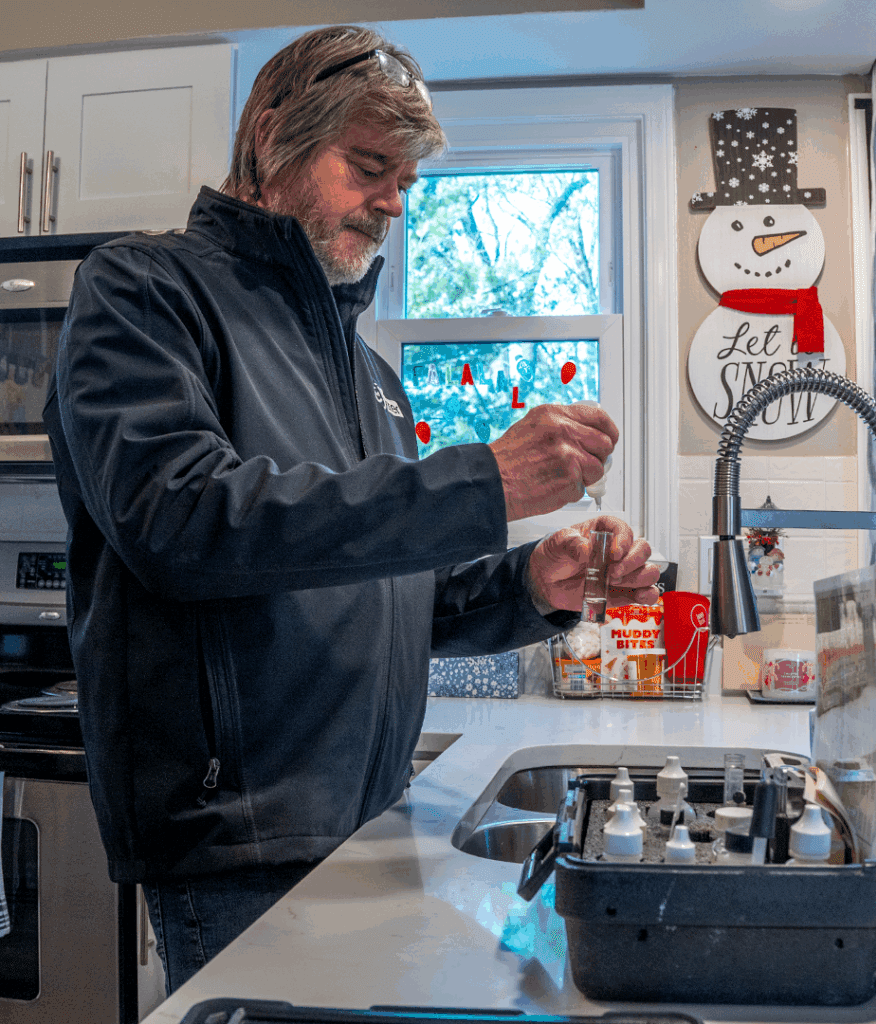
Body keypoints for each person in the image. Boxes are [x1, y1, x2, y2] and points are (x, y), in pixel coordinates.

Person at [43, 24, 659, 994]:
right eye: (369, 165)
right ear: (273, 136)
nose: (391, 204)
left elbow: (407, 595)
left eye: (405, 182)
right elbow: (183, 520)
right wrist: (479, 483)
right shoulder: (143, 290)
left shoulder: (373, 379)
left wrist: (534, 582)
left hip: (370, 821)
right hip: (237, 841)